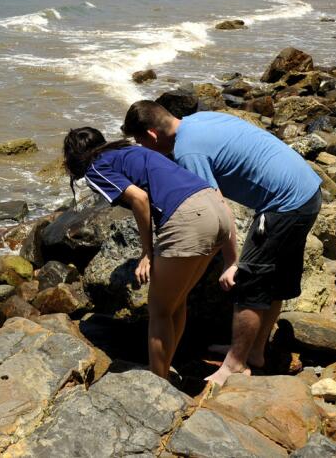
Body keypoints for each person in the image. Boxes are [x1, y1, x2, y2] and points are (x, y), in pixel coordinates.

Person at [120, 100, 323, 385]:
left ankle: (235, 365)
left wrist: (231, 261)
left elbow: (217, 208)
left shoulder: (187, 152)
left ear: (152, 135)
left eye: (141, 143)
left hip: (284, 204)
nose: (144, 150)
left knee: (249, 284)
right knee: (273, 283)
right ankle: (255, 351)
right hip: (306, 189)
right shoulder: (198, 120)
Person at [61, 126, 237, 383]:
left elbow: (140, 199)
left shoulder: (95, 167)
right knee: (176, 302)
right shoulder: (130, 151)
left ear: (75, 157)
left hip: (189, 217)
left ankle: (157, 382)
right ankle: (165, 366)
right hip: (216, 207)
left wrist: (147, 252)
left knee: (159, 310)